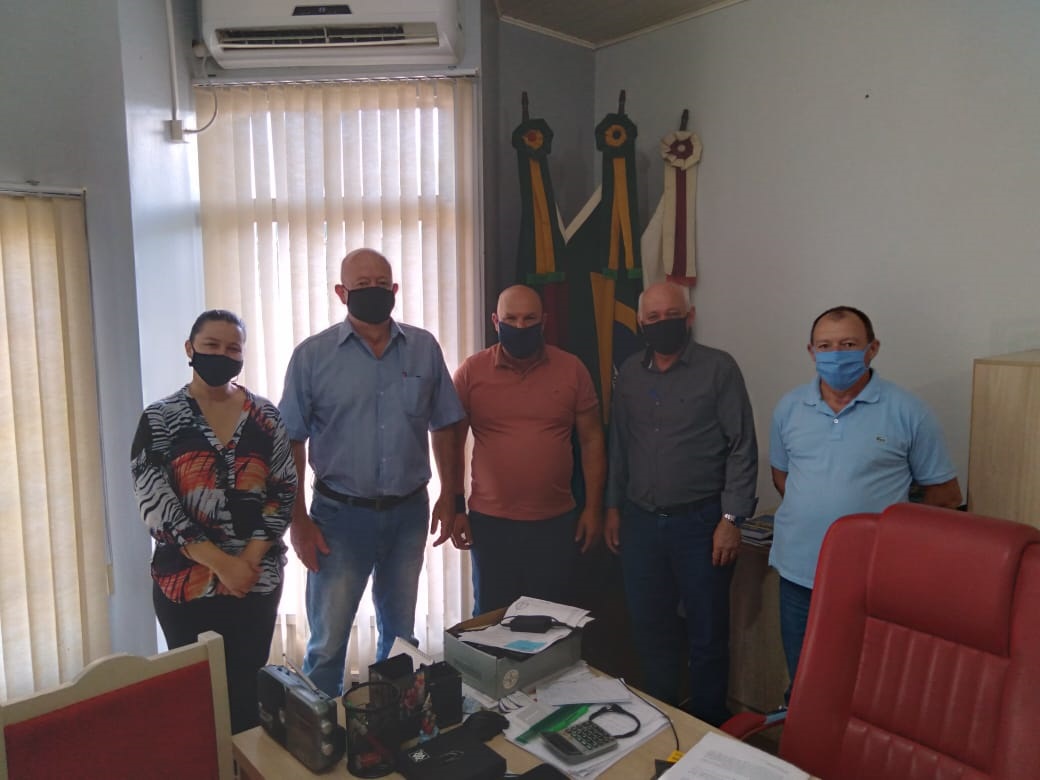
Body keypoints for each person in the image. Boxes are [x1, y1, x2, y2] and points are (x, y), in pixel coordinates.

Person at [279, 248, 464, 697]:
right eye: (362, 286)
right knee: (327, 645)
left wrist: (450, 495)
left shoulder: (423, 348)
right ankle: (320, 734)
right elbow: (290, 442)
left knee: (401, 640)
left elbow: (445, 424)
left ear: (395, 289)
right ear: (341, 292)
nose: (373, 291)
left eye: (381, 284)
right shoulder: (312, 356)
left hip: (408, 514)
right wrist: (298, 521)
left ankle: (390, 724)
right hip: (338, 519)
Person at [770, 305, 961, 689]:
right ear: (811, 351)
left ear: (872, 349)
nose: (835, 354)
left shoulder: (909, 411)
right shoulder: (789, 407)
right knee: (805, 684)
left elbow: (945, 495)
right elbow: (782, 477)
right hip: (799, 574)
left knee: (868, 687)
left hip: (872, 577)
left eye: (848, 344)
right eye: (825, 346)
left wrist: (892, 536)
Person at [131, 309, 296, 734]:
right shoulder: (160, 418)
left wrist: (247, 562)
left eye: (232, 348)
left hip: (255, 581)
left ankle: (243, 763)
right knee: (195, 700)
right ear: (190, 348)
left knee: (246, 695)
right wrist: (223, 564)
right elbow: (156, 504)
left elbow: (283, 492)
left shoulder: (265, 416)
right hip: (185, 584)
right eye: (211, 345)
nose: (222, 354)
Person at [604, 282, 758, 726]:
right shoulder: (630, 373)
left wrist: (732, 519)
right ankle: (662, 716)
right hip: (640, 524)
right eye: (652, 318)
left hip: (702, 524)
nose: (662, 323)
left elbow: (741, 446)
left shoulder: (719, 368)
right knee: (651, 627)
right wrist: (613, 507)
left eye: (671, 315)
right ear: (640, 323)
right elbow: (620, 446)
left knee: (707, 632)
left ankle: (707, 725)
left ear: (689, 317)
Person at [450, 285, 606, 614]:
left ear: (544, 321)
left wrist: (594, 509)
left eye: (529, 319)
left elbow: (592, 440)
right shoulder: (471, 372)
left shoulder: (572, 369)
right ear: (496, 321)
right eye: (511, 319)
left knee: (551, 622)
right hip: (491, 525)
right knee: (492, 621)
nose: (520, 326)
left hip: (555, 524)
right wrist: (456, 507)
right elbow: (452, 443)